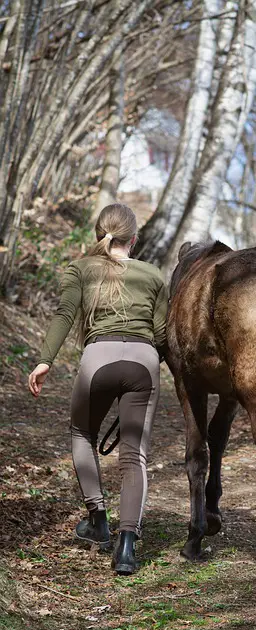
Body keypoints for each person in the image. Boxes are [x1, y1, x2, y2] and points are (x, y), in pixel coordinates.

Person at [28, 203, 168, 575]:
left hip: (98, 359)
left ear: (97, 235)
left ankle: (98, 519)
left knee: (81, 432)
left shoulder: (80, 268)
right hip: (143, 362)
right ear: (134, 239)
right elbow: (162, 336)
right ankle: (126, 549)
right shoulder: (153, 274)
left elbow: (64, 315)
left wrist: (45, 360)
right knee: (133, 455)